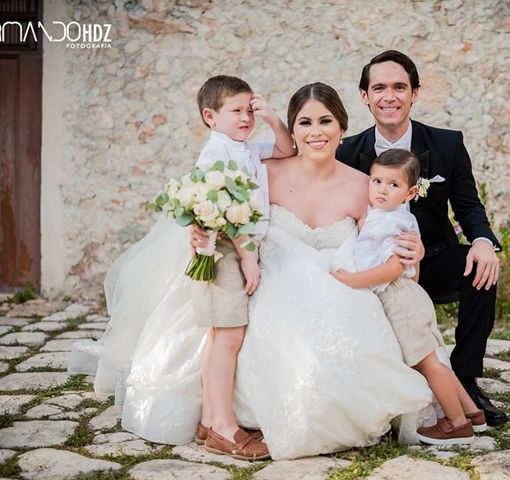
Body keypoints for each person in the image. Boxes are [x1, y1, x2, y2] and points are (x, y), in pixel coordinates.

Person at [89, 82, 434, 461]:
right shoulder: (260, 170)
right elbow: (217, 205)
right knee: (239, 333)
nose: (315, 132)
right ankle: (222, 419)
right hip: (262, 276)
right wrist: (200, 228)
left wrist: (411, 254)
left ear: (342, 126)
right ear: (292, 128)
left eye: (325, 121)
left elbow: (380, 251)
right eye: (304, 122)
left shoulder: (365, 187)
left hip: (335, 286)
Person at [336, 50, 507, 427]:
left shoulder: (447, 144)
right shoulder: (347, 152)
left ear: (415, 92)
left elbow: (469, 206)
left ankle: (466, 380)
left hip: (432, 260)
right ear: (364, 95)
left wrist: (483, 242)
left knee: (481, 268)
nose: (389, 96)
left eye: (400, 86)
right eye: (379, 87)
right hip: (377, 268)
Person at [332, 148, 485, 445]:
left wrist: (353, 280)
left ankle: (456, 424)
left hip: (399, 297)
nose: (381, 190)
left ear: (411, 192)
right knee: (435, 359)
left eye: (393, 185)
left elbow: (391, 269)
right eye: (377, 181)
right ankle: (472, 413)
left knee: (427, 363)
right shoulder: (393, 215)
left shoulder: (390, 223)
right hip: (410, 294)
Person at [189, 75, 294, 460]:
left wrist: (272, 119)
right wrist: (248, 257)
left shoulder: (243, 148)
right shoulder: (217, 154)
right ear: (210, 116)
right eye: (236, 110)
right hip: (224, 253)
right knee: (229, 337)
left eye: (249, 109)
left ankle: (209, 417)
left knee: (220, 338)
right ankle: (224, 428)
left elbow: (286, 150)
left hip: (234, 248)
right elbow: (224, 213)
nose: (246, 117)